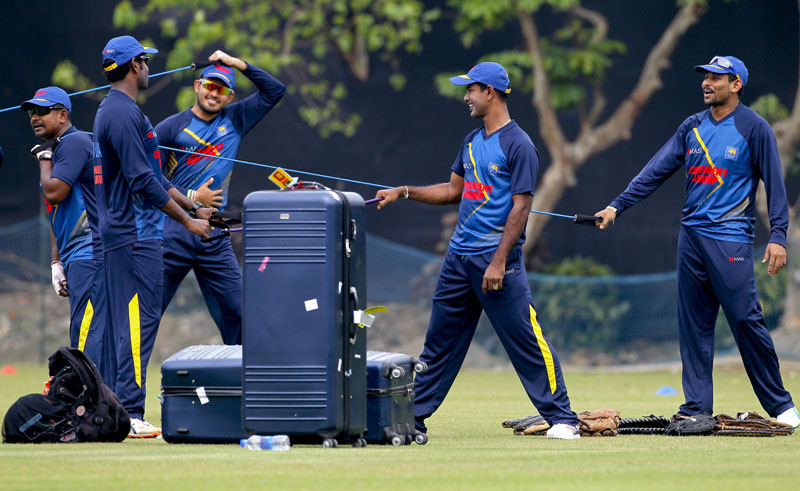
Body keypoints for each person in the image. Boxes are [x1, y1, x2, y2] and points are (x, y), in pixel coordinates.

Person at [375, 62, 581, 440]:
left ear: (490, 92)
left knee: (526, 342)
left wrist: (500, 262)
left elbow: (521, 208)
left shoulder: (519, 144)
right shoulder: (471, 140)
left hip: (496, 261)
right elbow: (453, 192)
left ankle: (564, 419)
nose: (465, 96)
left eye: (470, 89)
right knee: (438, 346)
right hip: (458, 259)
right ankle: (412, 418)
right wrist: (403, 191)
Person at [594, 56, 800, 428]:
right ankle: (695, 409)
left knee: (744, 319)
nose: (707, 82)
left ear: (736, 84)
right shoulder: (691, 127)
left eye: (716, 78)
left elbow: (775, 184)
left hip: (731, 238)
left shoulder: (755, 128)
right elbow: (655, 169)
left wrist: (779, 236)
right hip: (691, 238)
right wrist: (617, 205)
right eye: (705, 76)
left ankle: (781, 405)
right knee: (694, 325)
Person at [93, 35, 214, 438]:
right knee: (134, 323)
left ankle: (116, 410)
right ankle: (128, 410)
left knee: (127, 323)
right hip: (133, 235)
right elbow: (143, 181)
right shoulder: (122, 113)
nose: (148, 68)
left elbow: (157, 176)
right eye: (145, 61)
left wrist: (195, 207)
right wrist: (188, 223)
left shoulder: (119, 110)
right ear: (135, 66)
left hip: (129, 235)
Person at [155, 51, 285, 345]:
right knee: (148, 312)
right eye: (210, 86)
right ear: (197, 85)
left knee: (239, 313)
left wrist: (237, 63)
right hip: (174, 229)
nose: (214, 93)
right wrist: (191, 196)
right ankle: (123, 386)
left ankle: (239, 385)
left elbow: (275, 90)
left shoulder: (236, 119)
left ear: (229, 96)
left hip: (214, 234)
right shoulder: (170, 127)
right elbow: (147, 176)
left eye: (221, 89)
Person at [21, 86, 113, 386]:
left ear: (63, 115)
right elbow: (55, 211)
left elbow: (54, 192)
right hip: (77, 255)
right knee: (85, 331)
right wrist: (56, 263)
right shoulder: (61, 147)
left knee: (86, 335)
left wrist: (45, 159)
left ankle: (88, 404)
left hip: (90, 252)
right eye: (32, 112)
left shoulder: (72, 143)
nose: (35, 117)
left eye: (43, 111)